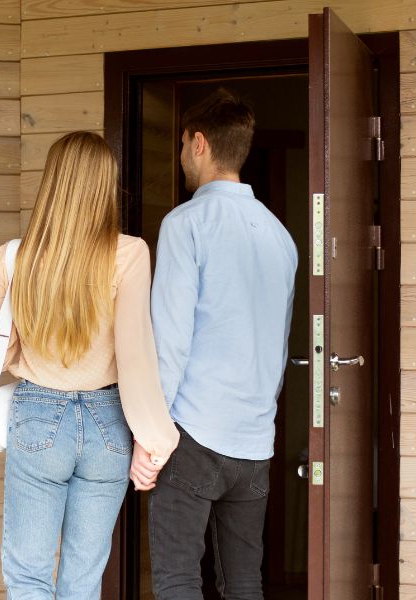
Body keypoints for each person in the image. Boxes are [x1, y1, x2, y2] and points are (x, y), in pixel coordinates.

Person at [0, 131, 179, 600]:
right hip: (109, 422)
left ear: (52, 181)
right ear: (106, 184)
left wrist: (30, 351)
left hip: (38, 413)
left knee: (28, 576)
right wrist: (154, 441)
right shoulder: (130, 253)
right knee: (83, 581)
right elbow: (135, 356)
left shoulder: (14, 256)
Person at [147, 89, 298, 600]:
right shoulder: (280, 236)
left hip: (193, 430)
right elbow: (278, 345)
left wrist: (153, 434)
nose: (180, 156)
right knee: (244, 583)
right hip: (254, 438)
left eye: (182, 144)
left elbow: (170, 339)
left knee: (178, 581)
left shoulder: (185, 223)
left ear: (199, 144)